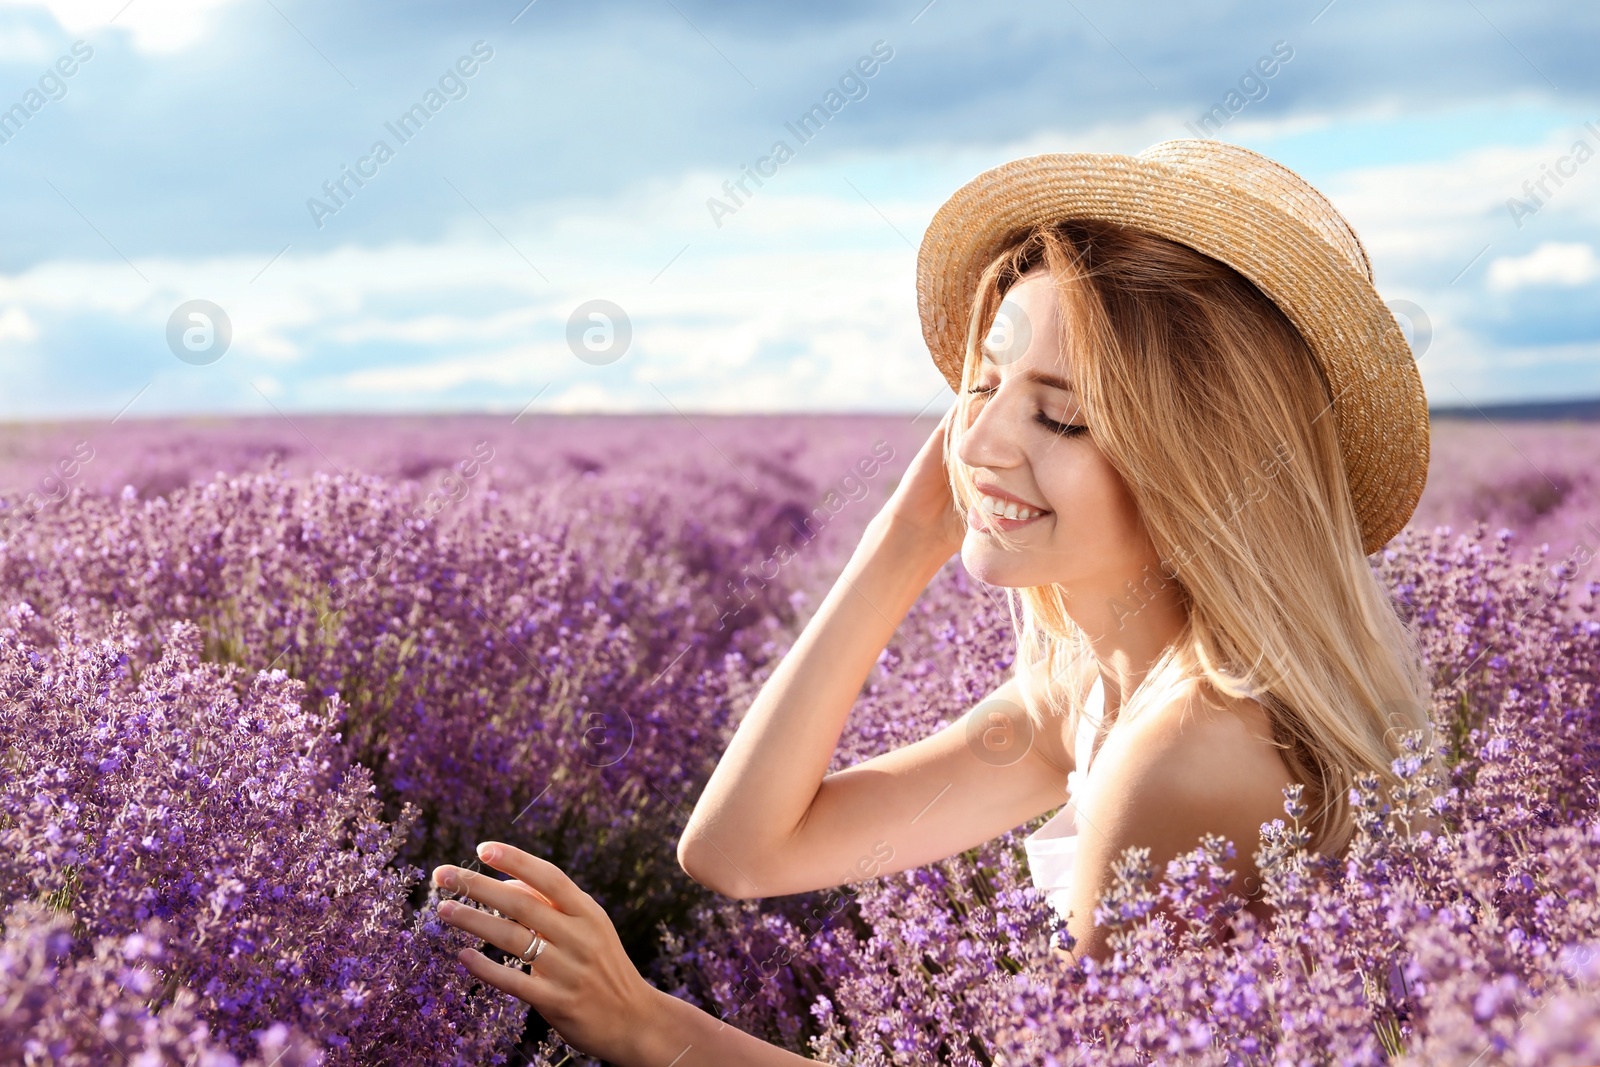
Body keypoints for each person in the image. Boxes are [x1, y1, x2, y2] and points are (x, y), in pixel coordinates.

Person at [428, 139, 1439, 1065]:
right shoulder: (1088, 689)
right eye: (982, 383)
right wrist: (899, 542)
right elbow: (741, 851)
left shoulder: (1183, 752)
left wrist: (649, 1025)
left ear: (1202, 471)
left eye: (1062, 416)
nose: (983, 439)